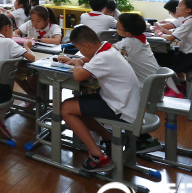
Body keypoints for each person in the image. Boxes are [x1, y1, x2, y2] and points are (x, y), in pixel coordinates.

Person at [56, 25, 140, 172]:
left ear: (86, 45)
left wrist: (77, 63)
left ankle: (98, 157)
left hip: (121, 107)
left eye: (80, 49)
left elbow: (78, 76)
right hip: (122, 101)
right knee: (77, 105)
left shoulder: (103, 57)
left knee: (66, 108)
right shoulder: (107, 49)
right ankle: (108, 137)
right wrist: (76, 60)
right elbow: (90, 58)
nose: (80, 53)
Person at [113, 13, 165, 152]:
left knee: (109, 92)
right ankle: (139, 135)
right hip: (155, 87)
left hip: (145, 91)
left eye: (117, 27)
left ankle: (125, 133)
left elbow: (108, 50)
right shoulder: (141, 41)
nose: (116, 28)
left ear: (128, 33)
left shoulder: (129, 42)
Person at [154, 0, 192, 84]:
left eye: (179, 5)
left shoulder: (190, 22)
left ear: (188, 10)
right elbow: (177, 33)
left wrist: (158, 33)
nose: (176, 8)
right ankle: (179, 83)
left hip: (191, 58)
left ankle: (172, 86)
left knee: (156, 57)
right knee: (166, 52)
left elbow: (171, 38)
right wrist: (163, 31)